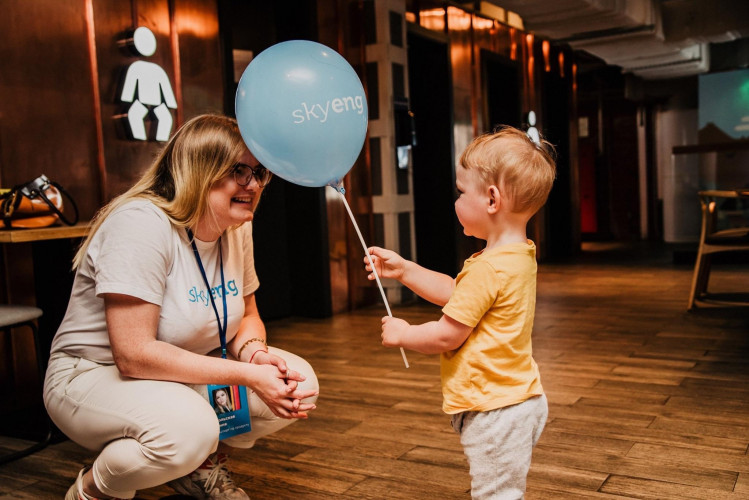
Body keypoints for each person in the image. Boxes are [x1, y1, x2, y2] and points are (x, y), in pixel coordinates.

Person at [43, 114, 319, 500]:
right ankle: (92, 490)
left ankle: (198, 469)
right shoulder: (140, 224)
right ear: (198, 171)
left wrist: (255, 356)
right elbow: (134, 355)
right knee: (190, 429)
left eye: (260, 172)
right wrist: (248, 376)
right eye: (239, 171)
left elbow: (247, 314)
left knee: (300, 385)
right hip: (93, 374)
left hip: (180, 364)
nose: (254, 185)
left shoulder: (237, 226)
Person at [363, 126, 556, 499]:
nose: (456, 201)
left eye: (461, 191)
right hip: (521, 398)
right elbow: (459, 294)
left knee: (496, 495)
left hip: (495, 410)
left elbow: (447, 335)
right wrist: (405, 270)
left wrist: (404, 334)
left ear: (492, 199)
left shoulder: (489, 268)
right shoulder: (518, 255)